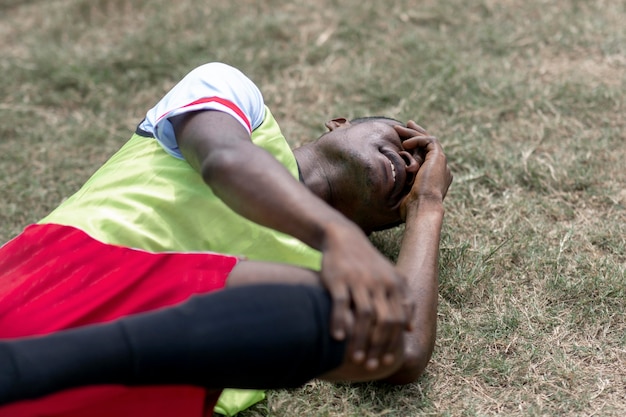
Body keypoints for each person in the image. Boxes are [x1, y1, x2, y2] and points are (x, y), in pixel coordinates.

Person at [0, 62, 452, 416]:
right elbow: (223, 159)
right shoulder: (232, 94)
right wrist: (336, 235)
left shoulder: (322, 281)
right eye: (407, 143)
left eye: (410, 188)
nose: (411, 167)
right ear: (339, 124)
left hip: (147, 392)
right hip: (57, 276)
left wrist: (428, 205)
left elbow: (404, 351)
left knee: (310, 309)